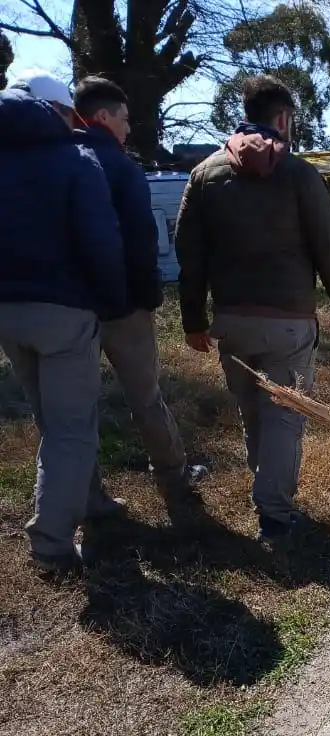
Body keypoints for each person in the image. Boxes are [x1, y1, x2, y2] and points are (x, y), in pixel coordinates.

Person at [173, 74, 330, 545]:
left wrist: (193, 320)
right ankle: (274, 515)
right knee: (283, 416)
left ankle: (266, 491)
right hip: (289, 323)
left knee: (253, 411)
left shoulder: (206, 176)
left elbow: (188, 257)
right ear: (283, 118)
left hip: (232, 321)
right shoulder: (299, 175)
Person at [0, 70, 127, 574]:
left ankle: (90, 501)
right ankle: (51, 544)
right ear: (59, 112)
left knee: (51, 420)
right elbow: (101, 242)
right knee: (72, 427)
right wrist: (113, 303)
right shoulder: (76, 160)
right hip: (64, 311)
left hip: (7, 312)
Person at [72, 76, 208, 505]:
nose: (128, 129)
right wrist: (150, 297)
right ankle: (173, 476)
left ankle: (89, 495)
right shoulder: (120, 166)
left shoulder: (60, 162)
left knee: (75, 408)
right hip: (125, 303)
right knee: (146, 397)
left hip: (72, 306)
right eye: (124, 119)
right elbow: (141, 239)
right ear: (102, 117)